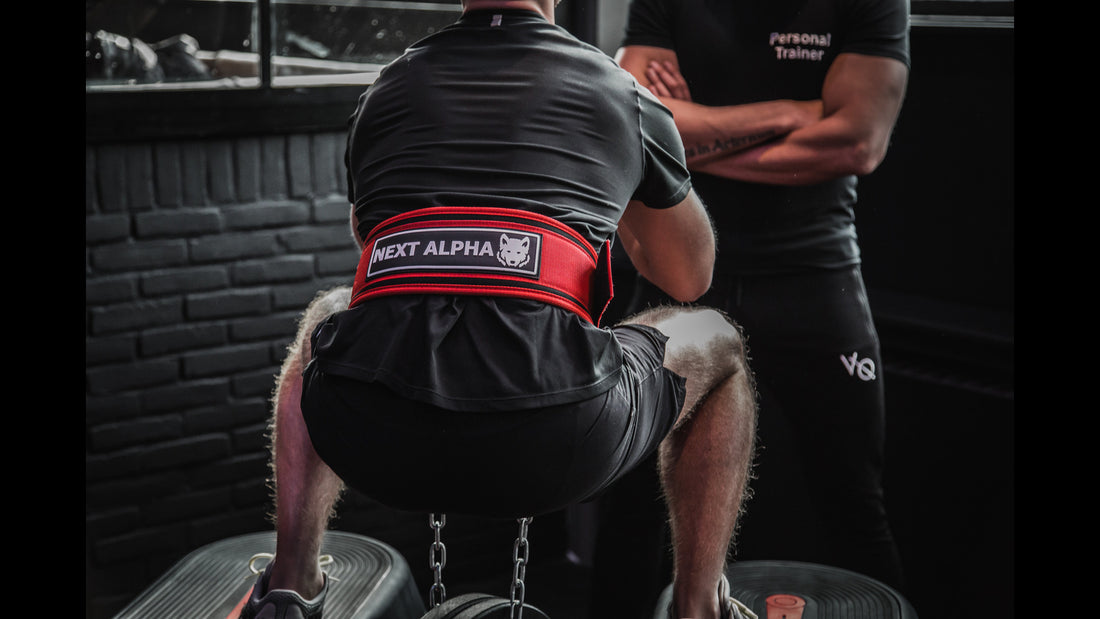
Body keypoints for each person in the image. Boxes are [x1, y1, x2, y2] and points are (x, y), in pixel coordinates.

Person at [238, 1, 760, 618]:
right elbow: (688, 277)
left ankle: (291, 584)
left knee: (329, 312)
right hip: (558, 437)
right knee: (719, 341)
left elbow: (373, 250)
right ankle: (699, 606)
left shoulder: (382, 92)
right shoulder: (623, 94)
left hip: (364, 430)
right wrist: (618, 185)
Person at [602, 0, 912, 599]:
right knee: (631, 503)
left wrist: (688, 142)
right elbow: (631, 124)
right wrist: (792, 113)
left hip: (812, 274)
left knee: (854, 502)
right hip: (682, 272)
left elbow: (857, 144)